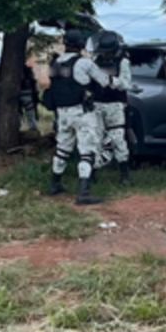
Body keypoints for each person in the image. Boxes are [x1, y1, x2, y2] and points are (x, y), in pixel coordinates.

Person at [46, 29, 117, 205]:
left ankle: (55, 184)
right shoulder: (84, 63)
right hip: (82, 112)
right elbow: (105, 81)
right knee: (87, 151)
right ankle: (83, 193)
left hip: (62, 113)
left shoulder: (54, 63)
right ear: (81, 44)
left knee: (62, 149)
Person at [91, 30, 132, 186]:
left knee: (117, 139)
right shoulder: (97, 60)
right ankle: (92, 173)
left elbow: (126, 83)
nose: (105, 55)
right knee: (96, 138)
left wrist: (109, 80)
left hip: (115, 104)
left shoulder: (122, 62)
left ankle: (125, 174)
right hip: (97, 103)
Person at [19, 55, 40, 133]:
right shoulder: (28, 70)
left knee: (24, 114)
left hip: (24, 94)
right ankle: (33, 128)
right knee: (30, 114)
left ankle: (32, 129)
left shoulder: (25, 70)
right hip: (27, 94)